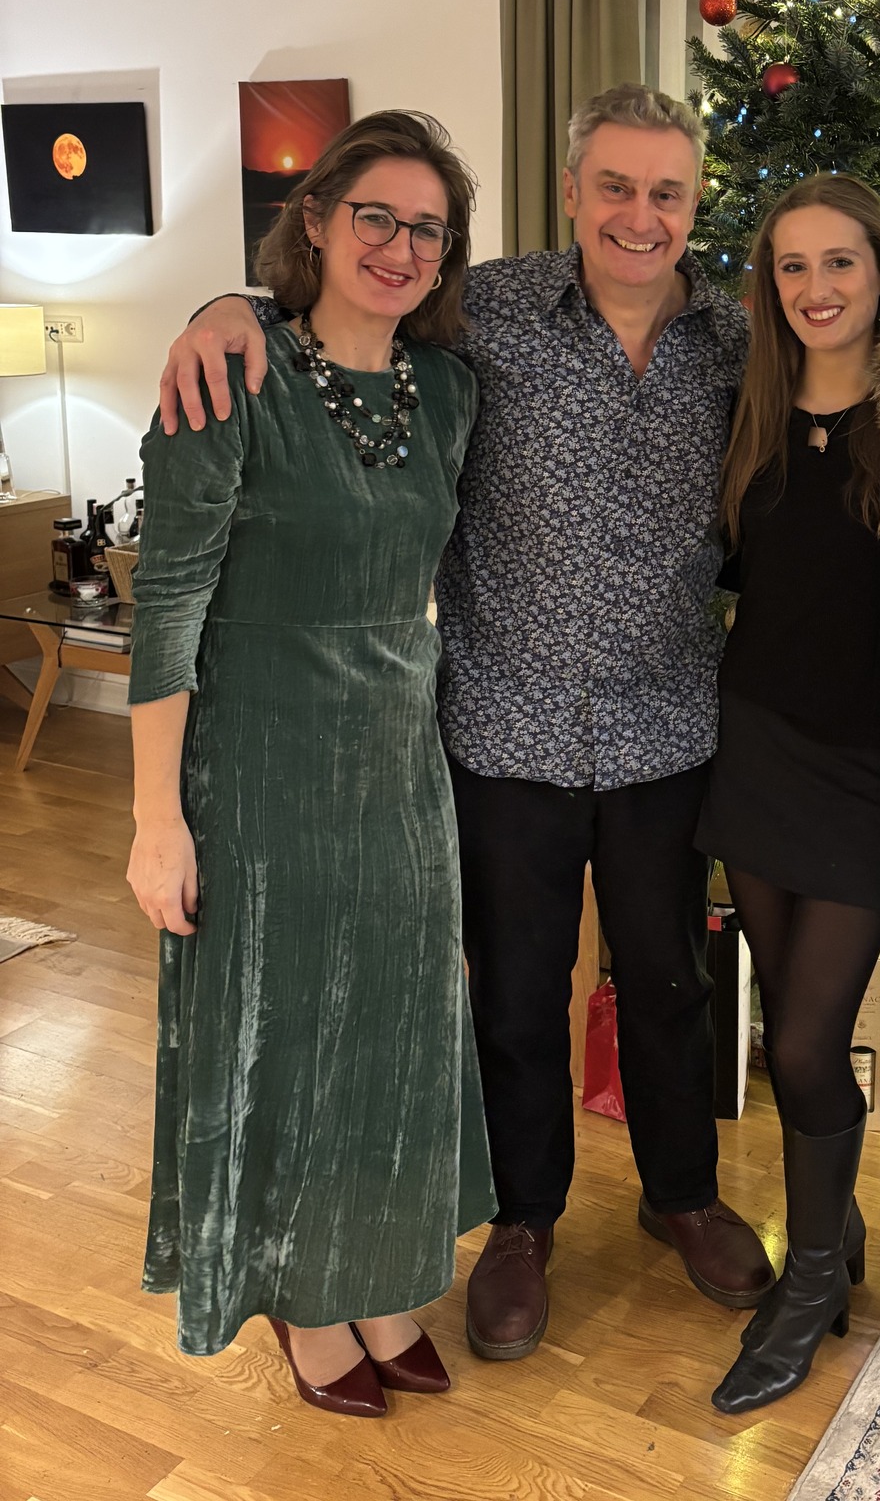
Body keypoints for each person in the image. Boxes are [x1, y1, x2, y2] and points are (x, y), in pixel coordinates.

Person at [155, 85, 773, 1364]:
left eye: (666, 191)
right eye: (615, 185)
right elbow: (340, 313)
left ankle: (682, 1193)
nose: (640, 214)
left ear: (694, 202)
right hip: (500, 723)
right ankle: (523, 1221)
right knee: (515, 990)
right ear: (573, 190)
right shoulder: (487, 312)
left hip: (666, 722)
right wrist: (225, 306)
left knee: (667, 979)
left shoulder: (736, 338)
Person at [127, 111, 495, 1415]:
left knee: (393, 1030)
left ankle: (379, 1274)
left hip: (399, 761)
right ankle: (301, 1292)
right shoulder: (234, 376)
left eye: (427, 229)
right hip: (260, 761)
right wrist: (156, 820)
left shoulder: (449, 389)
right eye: (376, 216)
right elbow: (166, 604)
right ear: (320, 221)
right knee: (286, 1039)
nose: (400, 247)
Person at [698, 176, 880, 1414]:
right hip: (755, 744)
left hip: (873, 761)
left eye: (840, 260)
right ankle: (833, 1232)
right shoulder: (745, 408)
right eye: (792, 265)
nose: (816, 286)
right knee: (787, 1019)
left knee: (803, 1039)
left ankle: (809, 1284)